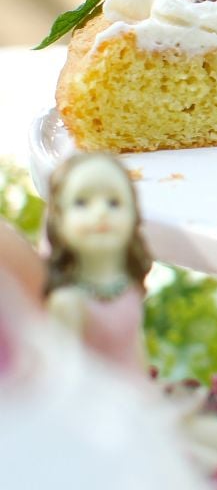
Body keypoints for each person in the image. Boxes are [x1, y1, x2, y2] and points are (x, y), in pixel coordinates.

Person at [43, 152, 152, 374]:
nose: (101, 213)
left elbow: (135, 349)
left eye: (114, 203)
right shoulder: (69, 302)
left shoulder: (127, 285)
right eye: (82, 202)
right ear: (58, 219)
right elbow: (61, 375)